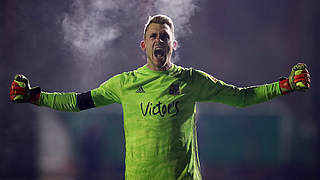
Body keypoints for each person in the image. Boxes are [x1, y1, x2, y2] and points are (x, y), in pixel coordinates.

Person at [9, 14, 310, 180]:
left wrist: (285, 85)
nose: (158, 40)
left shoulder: (191, 80)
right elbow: (77, 102)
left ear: (173, 44)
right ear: (143, 45)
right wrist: (35, 96)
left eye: (164, 36)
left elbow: (242, 97)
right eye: (153, 35)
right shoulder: (125, 83)